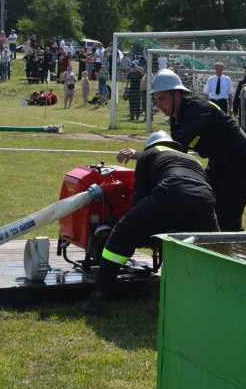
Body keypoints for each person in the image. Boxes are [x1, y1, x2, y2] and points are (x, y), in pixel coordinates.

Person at [81, 130, 220, 315]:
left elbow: (139, 199)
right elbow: (200, 189)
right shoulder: (191, 160)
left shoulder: (148, 154)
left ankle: (97, 299)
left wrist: (142, 231)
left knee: (119, 237)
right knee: (214, 250)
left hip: (169, 192)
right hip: (205, 201)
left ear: (149, 147)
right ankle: (219, 299)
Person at [152, 68, 246, 232]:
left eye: (161, 99)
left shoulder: (196, 109)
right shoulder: (176, 120)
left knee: (228, 219)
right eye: (156, 100)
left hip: (241, 160)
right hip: (219, 162)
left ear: (176, 95)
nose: (158, 105)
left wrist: (144, 155)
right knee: (202, 203)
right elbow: (177, 154)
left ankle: (235, 252)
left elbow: (178, 146)